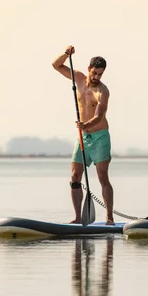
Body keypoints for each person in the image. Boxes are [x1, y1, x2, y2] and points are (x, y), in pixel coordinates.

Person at [52, 45, 115, 225]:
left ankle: (109, 218)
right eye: (94, 73)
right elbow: (56, 66)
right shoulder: (78, 78)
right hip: (82, 138)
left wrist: (85, 124)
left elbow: (99, 115)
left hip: (100, 137)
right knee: (74, 176)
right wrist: (66, 54)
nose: (96, 77)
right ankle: (78, 218)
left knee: (103, 177)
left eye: (100, 74)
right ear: (89, 69)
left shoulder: (103, 91)